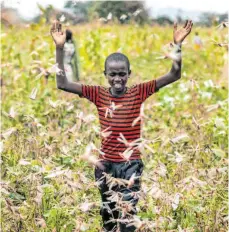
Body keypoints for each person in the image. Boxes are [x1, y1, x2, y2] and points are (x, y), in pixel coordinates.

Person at [50, 19, 193, 231]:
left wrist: (177, 45)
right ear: (105, 75)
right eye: (113, 74)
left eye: (122, 74)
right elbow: (62, 84)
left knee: (127, 219)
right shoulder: (97, 94)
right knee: (109, 218)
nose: (118, 79)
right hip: (105, 165)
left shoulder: (139, 91)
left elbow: (174, 74)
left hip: (131, 165)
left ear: (129, 74)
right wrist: (59, 48)